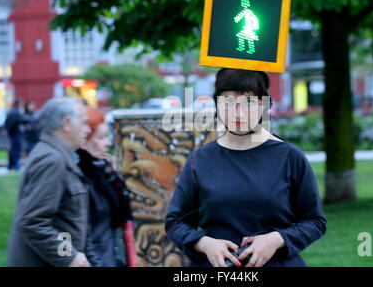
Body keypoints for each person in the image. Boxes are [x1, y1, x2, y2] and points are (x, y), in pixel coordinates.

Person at [165, 68, 327, 267]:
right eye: (229, 102)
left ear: (264, 105)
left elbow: (315, 221)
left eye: (249, 102)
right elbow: (175, 222)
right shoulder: (199, 159)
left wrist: (276, 239)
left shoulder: (289, 156)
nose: (238, 113)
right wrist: (205, 243)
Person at [7, 97, 91, 267]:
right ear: (66, 123)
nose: (88, 129)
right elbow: (33, 222)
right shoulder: (52, 159)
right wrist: (69, 256)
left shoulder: (56, 155)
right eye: (84, 122)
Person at [76, 107, 136, 267]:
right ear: (83, 140)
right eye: (101, 138)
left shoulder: (100, 172)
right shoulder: (80, 178)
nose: (107, 143)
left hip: (111, 257)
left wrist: (112, 175)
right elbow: (81, 238)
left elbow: (124, 214)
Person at [4, 98, 24, 170]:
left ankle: (11, 165)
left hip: (13, 133)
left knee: (13, 149)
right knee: (16, 149)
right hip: (16, 133)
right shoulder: (16, 112)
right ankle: (16, 165)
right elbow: (11, 123)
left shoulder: (13, 111)